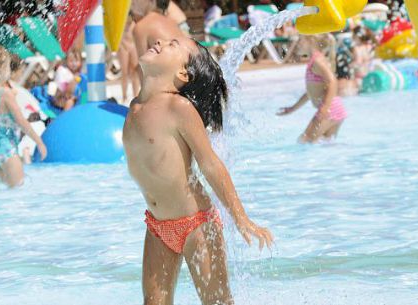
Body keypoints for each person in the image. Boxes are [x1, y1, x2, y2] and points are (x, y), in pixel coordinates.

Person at [123, 37, 273, 305]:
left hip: (197, 224)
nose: (160, 40)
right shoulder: (135, 107)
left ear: (183, 73)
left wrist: (241, 218)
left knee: (217, 302)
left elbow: (210, 163)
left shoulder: (178, 108)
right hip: (157, 226)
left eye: (173, 45)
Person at [0, 44, 47, 188]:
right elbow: (21, 121)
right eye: (8, 67)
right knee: (17, 192)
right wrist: (39, 142)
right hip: (8, 150)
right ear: (0, 69)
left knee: (6, 194)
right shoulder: (5, 94)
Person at [278, 34, 347, 143]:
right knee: (326, 145)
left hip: (329, 110)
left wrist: (325, 107)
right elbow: (310, 93)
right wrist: (293, 108)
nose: (297, 44)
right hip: (336, 110)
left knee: (304, 141)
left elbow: (333, 81)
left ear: (310, 41)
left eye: (300, 40)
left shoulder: (317, 61)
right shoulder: (315, 60)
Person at [117, 17, 141, 104]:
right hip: (123, 46)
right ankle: (124, 96)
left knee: (135, 72)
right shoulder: (120, 23)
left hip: (132, 45)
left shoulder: (134, 23)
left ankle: (135, 95)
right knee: (124, 72)